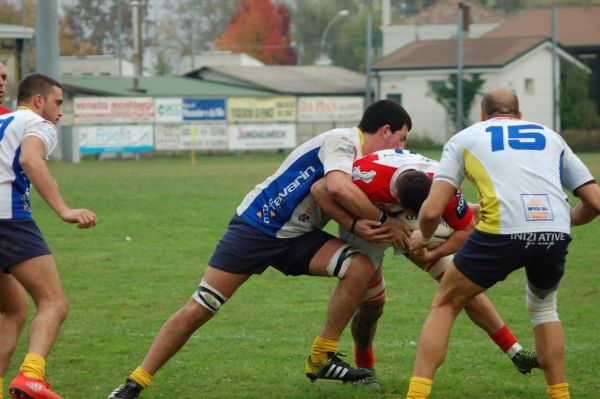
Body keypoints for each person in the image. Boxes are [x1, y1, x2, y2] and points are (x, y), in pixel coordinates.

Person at [107, 99, 413, 399]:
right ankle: (135, 382)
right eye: (401, 139)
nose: (399, 150)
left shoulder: (366, 163)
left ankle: (322, 358)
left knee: (359, 267)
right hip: (256, 228)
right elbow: (336, 187)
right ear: (385, 130)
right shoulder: (343, 140)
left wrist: (362, 222)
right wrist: (384, 220)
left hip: (298, 237)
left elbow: (322, 192)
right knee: (202, 307)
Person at [404, 87, 600, 399]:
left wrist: (424, 238)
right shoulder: (551, 137)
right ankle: (560, 394)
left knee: (446, 303)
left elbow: (430, 210)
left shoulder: (466, 137)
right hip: (554, 230)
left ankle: (416, 395)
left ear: (483, 116)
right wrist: (562, 220)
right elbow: (595, 202)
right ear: (519, 115)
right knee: (544, 309)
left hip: (501, 229)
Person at [310, 148, 539, 389]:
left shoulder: (444, 184)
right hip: (368, 225)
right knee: (373, 305)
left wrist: (433, 251)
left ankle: (516, 353)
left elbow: (467, 232)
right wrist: (356, 224)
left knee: (459, 286)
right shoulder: (366, 177)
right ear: (396, 195)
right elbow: (322, 189)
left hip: (409, 223)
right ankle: (365, 367)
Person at [0, 73, 97, 399]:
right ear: (39, 100)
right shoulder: (38, 124)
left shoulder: (5, 121)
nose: (60, 111)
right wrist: (64, 209)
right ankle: (31, 376)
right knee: (53, 302)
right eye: (58, 103)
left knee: (14, 309)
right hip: (8, 219)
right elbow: (30, 159)